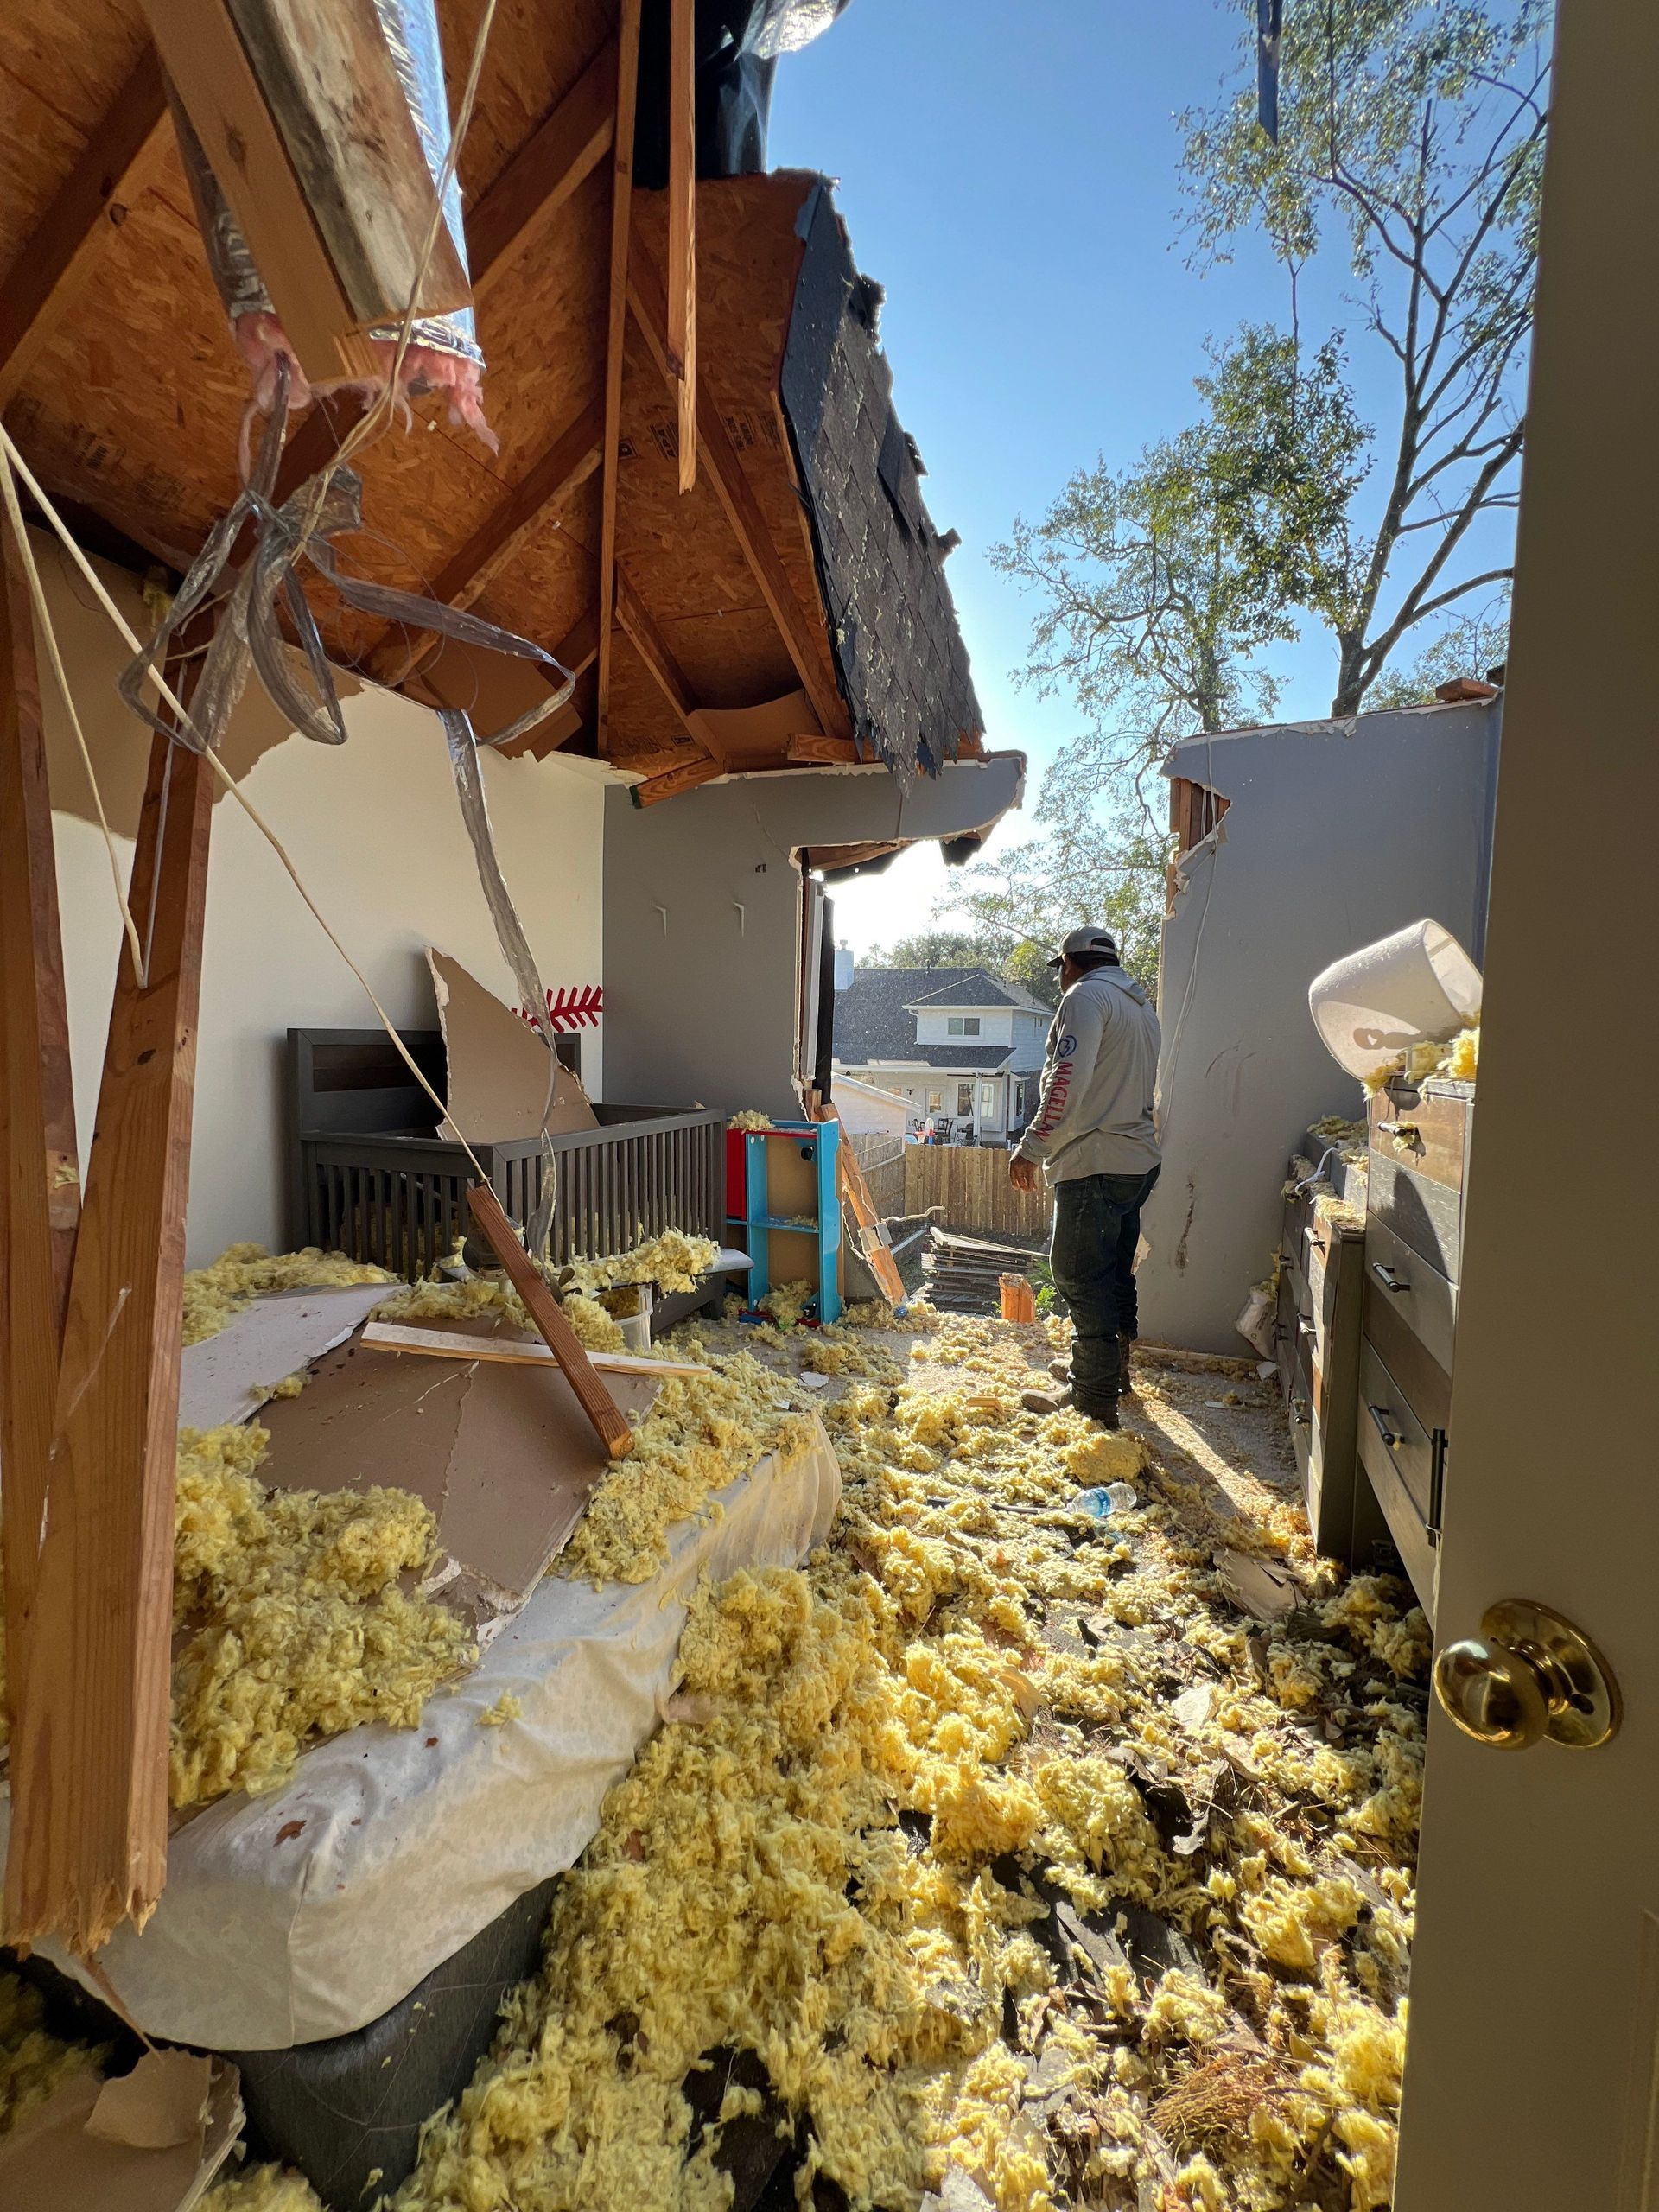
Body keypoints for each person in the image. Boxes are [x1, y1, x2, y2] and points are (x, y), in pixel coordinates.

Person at [1009, 926, 1161, 1429]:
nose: (1060, 979)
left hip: (1095, 1159)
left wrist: (1031, 1147)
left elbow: (1065, 1082)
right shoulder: (1139, 1006)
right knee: (1114, 1271)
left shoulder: (1084, 998)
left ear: (1070, 965)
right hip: (1136, 1159)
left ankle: (1094, 1398)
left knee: (1078, 1273)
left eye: (1060, 970)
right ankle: (1110, 1372)